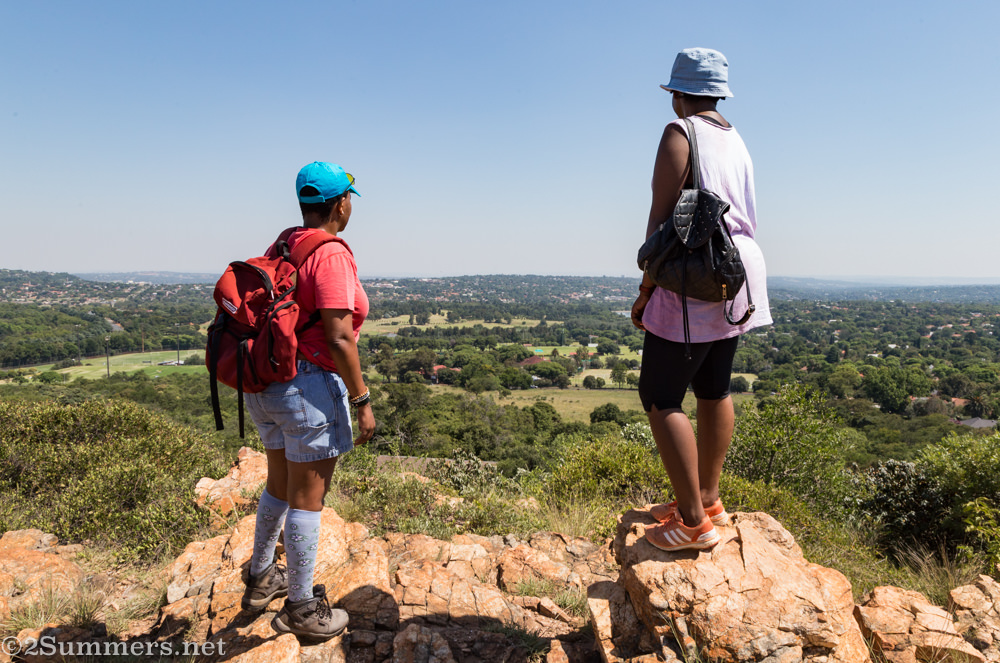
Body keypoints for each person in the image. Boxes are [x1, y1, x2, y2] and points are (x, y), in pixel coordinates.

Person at [631, 48, 772, 552]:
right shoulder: (735, 138)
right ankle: (709, 499)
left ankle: (692, 523)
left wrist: (647, 289)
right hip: (737, 270)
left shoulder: (681, 133)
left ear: (677, 94)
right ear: (718, 92)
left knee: (660, 395)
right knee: (714, 388)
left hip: (696, 271)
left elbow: (662, 222)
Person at [240, 161, 376, 640]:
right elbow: (340, 338)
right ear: (341, 203)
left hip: (267, 385)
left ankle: (261, 576)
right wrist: (361, 399)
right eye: (350, 200)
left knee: (279, 483)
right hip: (309, 387)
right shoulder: (332, 254)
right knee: (308, 498)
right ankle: (300, 605)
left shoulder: (285, 242)